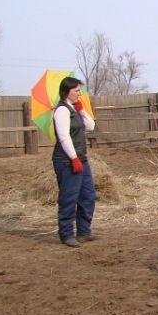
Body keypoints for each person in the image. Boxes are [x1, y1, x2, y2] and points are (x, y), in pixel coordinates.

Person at [52, 77, 97, 248]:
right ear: (67, 91)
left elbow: (91, 127)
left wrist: (82, 111)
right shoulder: (62, 111)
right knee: (69, 198)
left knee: (87, 195)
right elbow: (63, 137)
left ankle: (84, 231)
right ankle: (66, 234)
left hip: (81, 160)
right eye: (77, 91)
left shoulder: (74, 109)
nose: (79, 93)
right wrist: (73, 158)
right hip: (66, 161)